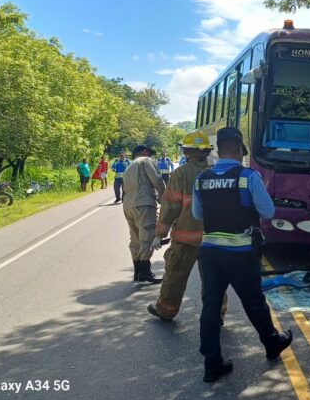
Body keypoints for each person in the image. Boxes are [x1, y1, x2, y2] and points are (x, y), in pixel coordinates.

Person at [192, 127, 292, 383]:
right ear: (238, 150)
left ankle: (211, 363)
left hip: (210, 253)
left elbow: (198, 215)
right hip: (241, 252)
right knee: (254, 302)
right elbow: (268, 212)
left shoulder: (202, 178)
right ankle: (272, 343)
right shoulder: (248, 177)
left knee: (211, 306)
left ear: (218, 150)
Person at [148, 131, 228, 321]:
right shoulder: (218, 172)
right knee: (214, 280)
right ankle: (218, 314)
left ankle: (166, 310)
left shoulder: (181, 173)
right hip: (214, 239)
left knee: (175, 275)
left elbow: (169, 207)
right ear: (207, 151)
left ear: (186, 151)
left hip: (186, 239)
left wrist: (159, 234)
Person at [122, 145, 166, 284]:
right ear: (145, 152)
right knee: (147, 236)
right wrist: (163, 198)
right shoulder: (145, 160)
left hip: (128, 205)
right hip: (143, 202)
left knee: (135, 238)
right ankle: (146, 272)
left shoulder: (129, 167)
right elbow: (157, 179)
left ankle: (138, 272)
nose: (151, 157)